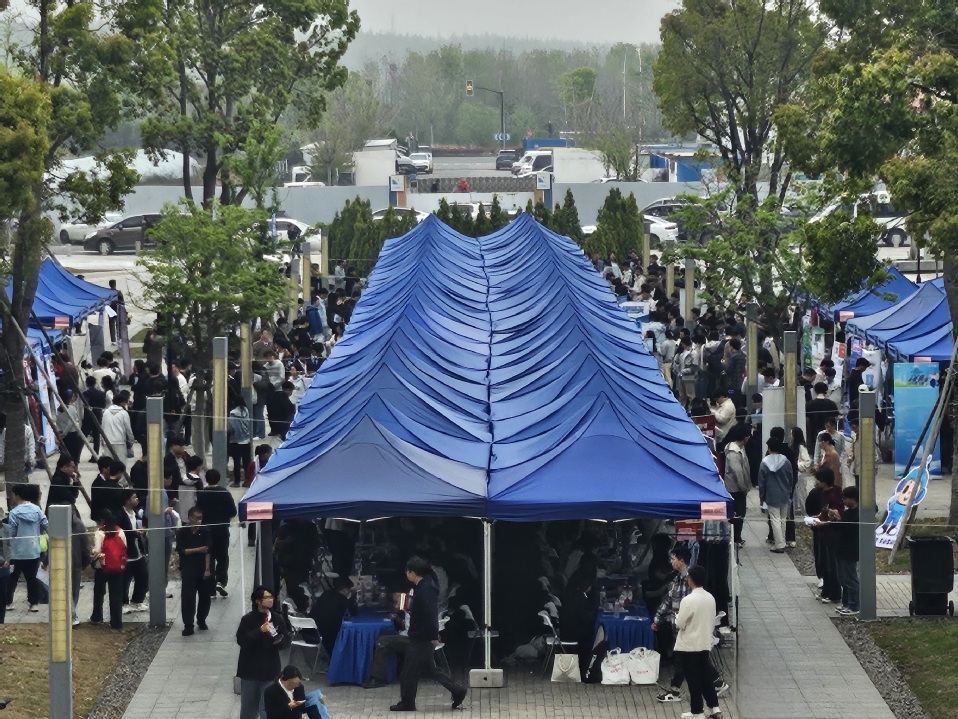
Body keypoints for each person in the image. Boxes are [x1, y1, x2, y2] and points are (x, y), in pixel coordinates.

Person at [391, 556, 467, 712]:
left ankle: (407, 702)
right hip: (423, 634)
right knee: (430, 669)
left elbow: (430, 615)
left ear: (413, 573)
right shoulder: (425, 587)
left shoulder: (426, 590)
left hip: (421, 636)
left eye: (408, 571)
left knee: (409, 671)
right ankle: (457, 690)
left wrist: (433, 636)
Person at [653, 546, 726, 704]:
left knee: (687, 658)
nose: (671, 562)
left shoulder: (690, 580)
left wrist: (675, 620)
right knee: (690, 659)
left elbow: (686, 606)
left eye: (673, 559)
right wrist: (658, 618)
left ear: (681, 561)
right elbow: (669, 599)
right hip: (681, 626)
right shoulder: (677, 579)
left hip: (686, 627)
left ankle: (677, 691)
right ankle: (715, 684)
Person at [674, 565, 722, 719]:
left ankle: (697, 711)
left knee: (693, 679)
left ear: (691, 580)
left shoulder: (688, 600)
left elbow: (680, 623)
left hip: (689, 645)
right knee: (705, 677)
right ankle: (714, 708)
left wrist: (676, 618)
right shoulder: (710, 598)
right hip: (704, 643)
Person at [237, 586, 292, 719]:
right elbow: (242, 641)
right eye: (266, 597)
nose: (270, 600)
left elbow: (286, 640)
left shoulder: (277, 618)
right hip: (250, 671)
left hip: (270, 671)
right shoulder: (248, 619)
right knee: (248, 709)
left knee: (267, 709)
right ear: (258, 601)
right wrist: (259, 631)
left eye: (271, 597)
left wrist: (280, 641)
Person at [4, 484, 48, 612]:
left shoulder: (14, 512)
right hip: (33, 550)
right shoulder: (37, 510)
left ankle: (8, 602)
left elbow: (12, 532)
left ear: (17, 496)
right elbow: (46, 525)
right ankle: (34, 603)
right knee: (32, 578)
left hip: (16, 552)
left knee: (12, 578)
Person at [196, 469, 237, 596]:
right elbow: (233, 512)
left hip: (206, 530)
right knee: (223, 556)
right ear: (219, 479)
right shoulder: (225, 493)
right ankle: (221, 580)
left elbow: (198, 510)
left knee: (209, 556)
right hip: (222, 529)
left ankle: (210, 585)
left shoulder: (202, 494)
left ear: (206, 479)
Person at [560, 569, 599, 682]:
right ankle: (587, 670)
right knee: (593, 636)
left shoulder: (572, 595)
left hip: (566, 629)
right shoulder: (581, 599)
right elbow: (586, 619)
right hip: (573, 633)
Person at [91, 510, 128, 629]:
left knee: (99, 593)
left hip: (102, 567)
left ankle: (97, 616)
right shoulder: (120, 531)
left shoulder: (99, 533)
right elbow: (124, 548)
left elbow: (97, 551)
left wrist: (92, 555)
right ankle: (116, 622)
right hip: (117, 567)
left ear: (101, 521)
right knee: (116, 595)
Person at [812, 468, 843, 604]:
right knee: (824, 563)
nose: (817, 483)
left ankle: (835, 594)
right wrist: (818, 517)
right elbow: (825, 512)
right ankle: (826, 591)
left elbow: (836, 516)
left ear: (824, 482)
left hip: (831, 534)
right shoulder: (825, 493)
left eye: (818, 480)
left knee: (831, 565)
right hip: (823, 533)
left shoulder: (834, 496)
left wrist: (822, 522)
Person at [758, 438, 794, 553]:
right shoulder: (786, 461)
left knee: (775, 519)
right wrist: (789, 491)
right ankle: (782, 541)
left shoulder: (764, 463)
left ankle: (779, 544)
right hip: (785, 494)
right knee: (783, 519)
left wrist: (762, 497)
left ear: (769, 448)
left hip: (771, 494)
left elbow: (761, 482)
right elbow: (791, 477)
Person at [829, 485, 860, 616]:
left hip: (849, 550)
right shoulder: (848, 513)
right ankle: (846, 602)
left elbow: (849, 530)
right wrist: (835, 520)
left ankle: (854, 605)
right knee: (843, 579)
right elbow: (840, 528)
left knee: (850, 579)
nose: (844, 502)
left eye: (845, 499)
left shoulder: (857, 515)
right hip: (841, 549)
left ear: (853, 499)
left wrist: (839, 520)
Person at [116, 489, 149, 612]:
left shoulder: (135, 513)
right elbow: (121, 532)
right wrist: (135, 533)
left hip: (138, 550)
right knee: (125, 579)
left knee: (143, 575)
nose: (136, 499)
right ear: (127, 500)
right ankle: (123, 603)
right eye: (134, 497)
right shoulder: (120, 515)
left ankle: (137, 600)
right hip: (126, 552)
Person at [309, 576, 356, 658]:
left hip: (317, 628)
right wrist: (352, 599)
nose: (349, 592)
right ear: (344, 589)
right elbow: (353, 613)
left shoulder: (326, 593)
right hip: (332, 633)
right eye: (349, 590)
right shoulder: (342, 599)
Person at [722, 426, 751, 548]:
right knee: (738, 514)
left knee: (739, 513)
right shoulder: (733, 452)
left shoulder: (739, 449)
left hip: (738, 487)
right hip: (735, 488)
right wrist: (743, 487)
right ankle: (735, 538)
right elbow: (737, 472)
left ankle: (737, 537)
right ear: (745, 437)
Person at [805, 382, 838, 450]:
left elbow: (807, 419)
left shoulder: (809, 405)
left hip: (813, 434)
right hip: (830, 434)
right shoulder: (832, 404)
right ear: (826, 390)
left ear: (815, 391)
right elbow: (836, 418)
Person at [228, 397, 253, 487]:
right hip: (246, 440)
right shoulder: (246, 411)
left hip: (236, 441)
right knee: (247, 463)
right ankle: (248, 480)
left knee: (236, 463)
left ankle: (237, 481)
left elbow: (231, 428)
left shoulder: (232, 413)